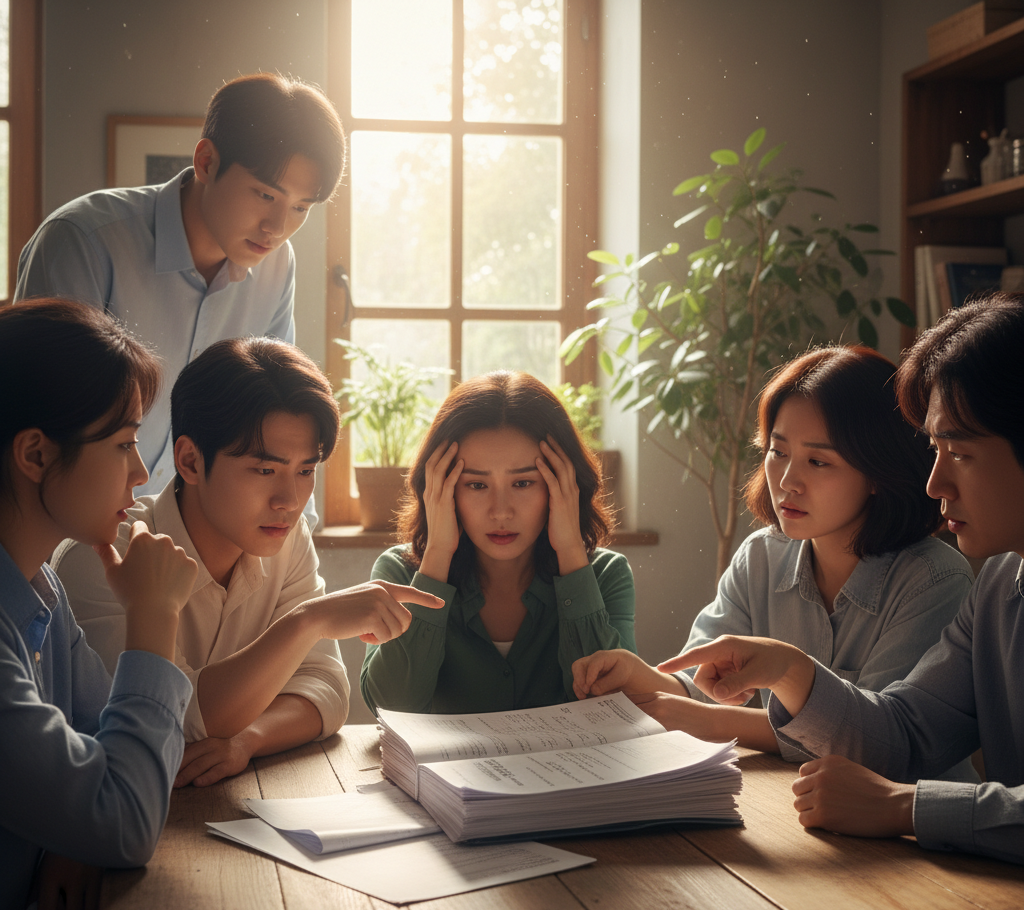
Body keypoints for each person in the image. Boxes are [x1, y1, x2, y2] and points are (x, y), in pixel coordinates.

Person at [657, 293, 1024, 864]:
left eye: (961, 452)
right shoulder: (1002, 583)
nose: (935, 484)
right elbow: (903, 736)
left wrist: (903, 806)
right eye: (934, 448)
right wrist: (787, 667)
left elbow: (893, 773)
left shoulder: (939, 575)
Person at [53, 338, 442, 789]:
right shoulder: (107, 555)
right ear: (190, 460)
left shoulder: (284, 537)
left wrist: (248, 741)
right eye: (264, 470)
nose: (290, 501)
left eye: (305, 470)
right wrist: (307, 622)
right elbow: (168, 723)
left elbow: (327, 690)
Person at [573, 346, 975, 778]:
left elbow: (872, 742)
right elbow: (703, 691)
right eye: (777, 452)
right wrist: (642, 677)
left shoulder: (933, 579)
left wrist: (709, 721)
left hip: (907, 833)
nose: (786, 481)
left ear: (879, 472)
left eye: (818, 461)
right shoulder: (763, 556)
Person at [15, 73, 345, 522]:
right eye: (265, 194)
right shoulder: (84, 241)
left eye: (301, 207)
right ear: (207, 161)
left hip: (191, 544)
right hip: (70, 537)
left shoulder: (276, 264)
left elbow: (279, 409)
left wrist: (293, 543)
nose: (276, 226)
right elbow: (37, 426)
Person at [0, 298, 198, 910]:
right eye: (122, 446)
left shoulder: (37, 586)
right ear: (35, 453)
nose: (139, 480)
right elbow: (124, 817)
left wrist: (77, 831)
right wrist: (154, 617)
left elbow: (117, 770)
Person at [361, 371, 636, 715]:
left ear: (563, 485)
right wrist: (438, 554)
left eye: (523, 483)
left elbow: (614, 707)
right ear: (440, 489)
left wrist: (570, 550)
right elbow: (392, 706)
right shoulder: (399, 573)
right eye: (476, 485)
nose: (501, 512)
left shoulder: (606, 575)